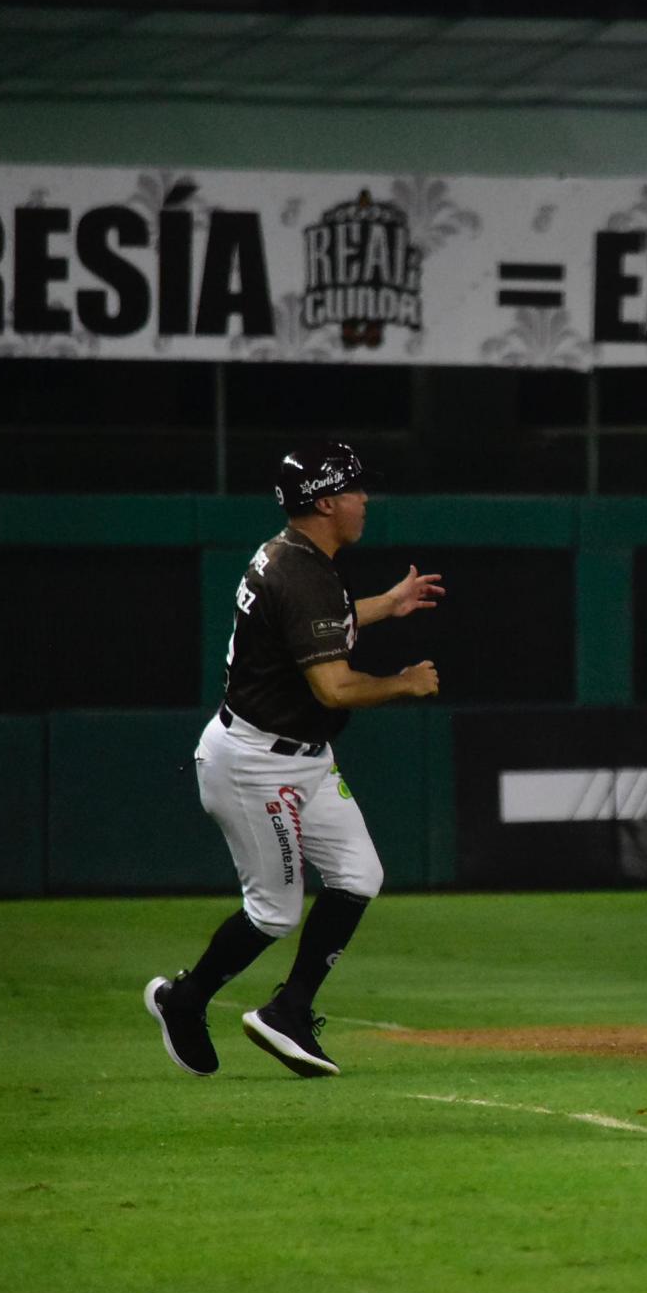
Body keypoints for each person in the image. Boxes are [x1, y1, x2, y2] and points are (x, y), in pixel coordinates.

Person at [144, 442, 443, 1078]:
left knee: (359, 875)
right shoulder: (303, 573)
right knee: (274, 912)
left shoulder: (293, 556)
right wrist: (404, 682)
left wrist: (387, 604)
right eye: (354, 489)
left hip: (301, 756)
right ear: (326, 502)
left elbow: (318, 624)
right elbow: (333, 687)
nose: (365, 499)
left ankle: (289, 1011)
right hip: (256, 763)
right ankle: (184, 1000)